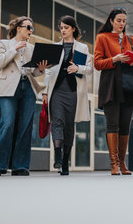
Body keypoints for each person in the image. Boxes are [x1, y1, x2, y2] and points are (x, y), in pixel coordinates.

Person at [0, 16, 49, 176]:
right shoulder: (5, 44)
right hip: (8, 87)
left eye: (32, 28)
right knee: (7, 124)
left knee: (25, 127)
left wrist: (41, 68)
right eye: (28, 27)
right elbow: (0, 63)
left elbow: (34, 72)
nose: (31, 31)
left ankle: (20, 166)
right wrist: (14, 48)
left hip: (27, 87)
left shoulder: (31, 48)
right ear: (18, 28)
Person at [42, 15, 92, 176]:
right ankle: (57, 155)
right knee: (57, 121)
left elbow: (89, 69)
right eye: (61, 28)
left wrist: (78, 68)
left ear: (73, 29)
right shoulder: (55, 47)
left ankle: (65, 162)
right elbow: (49, 71)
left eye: (66, 27)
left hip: (73, 91)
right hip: (56, 90)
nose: (63, 30)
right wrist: (44, 91)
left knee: (69, 127)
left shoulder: (82, 48)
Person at [94, 8, 133, 175]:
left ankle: (122, 163)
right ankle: (113, 164)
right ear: (111, 21)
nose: (122, 23)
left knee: (125, 126)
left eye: (124, 21)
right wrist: (115, 59)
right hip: (110, 85)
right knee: (112, 124)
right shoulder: (102, 37)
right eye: (119, 20)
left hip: (128, 86)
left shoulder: (131, 39)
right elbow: (98, 63)